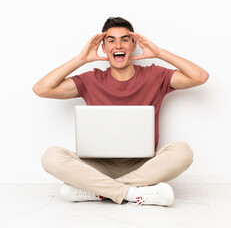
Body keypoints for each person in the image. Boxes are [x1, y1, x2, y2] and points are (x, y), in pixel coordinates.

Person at [32, 17, 209, 206]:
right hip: (98, 165)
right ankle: (132, 193)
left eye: (125, 40)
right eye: (111, 40)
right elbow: (42, 89)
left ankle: (98, 191)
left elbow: (200, 77)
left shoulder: (155, 75)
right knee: (51, 157)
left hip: (144, 164)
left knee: (183, 152)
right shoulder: (90, 80)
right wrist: (80, 59)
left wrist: (159, 53)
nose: (118, 45)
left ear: (133, 46)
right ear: (103, 47)